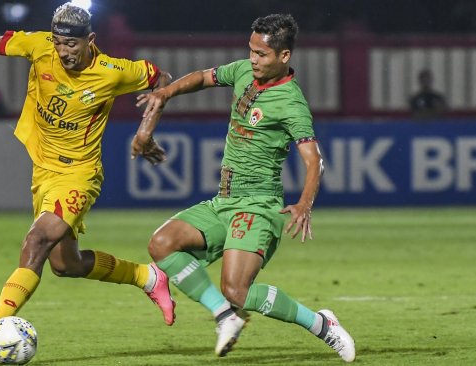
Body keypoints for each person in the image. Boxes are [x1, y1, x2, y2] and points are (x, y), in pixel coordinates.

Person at [0, 3, 175, 362]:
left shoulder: (114, 71)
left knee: (37, 239)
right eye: (59, 43)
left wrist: (146, 131)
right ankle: (147, 277)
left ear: (90, 40)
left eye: (72, 45)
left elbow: (163, 79)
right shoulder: (39, 46)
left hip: (79, 173)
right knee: (67, 265)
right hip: (43, 172)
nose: (63, 52)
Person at [132, 14, 355, 362]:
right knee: (162, 244)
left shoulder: (291, 103)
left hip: (259, 204)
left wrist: (304, 204)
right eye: (251, 51)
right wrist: (166, 92)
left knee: (236, 289)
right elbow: (204, 77)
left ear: (284, 57)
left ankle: (321, 324)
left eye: (262, 54)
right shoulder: (242, 72)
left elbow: (314, 160)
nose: (253, 59)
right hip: (224, 200)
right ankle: (225, 316)